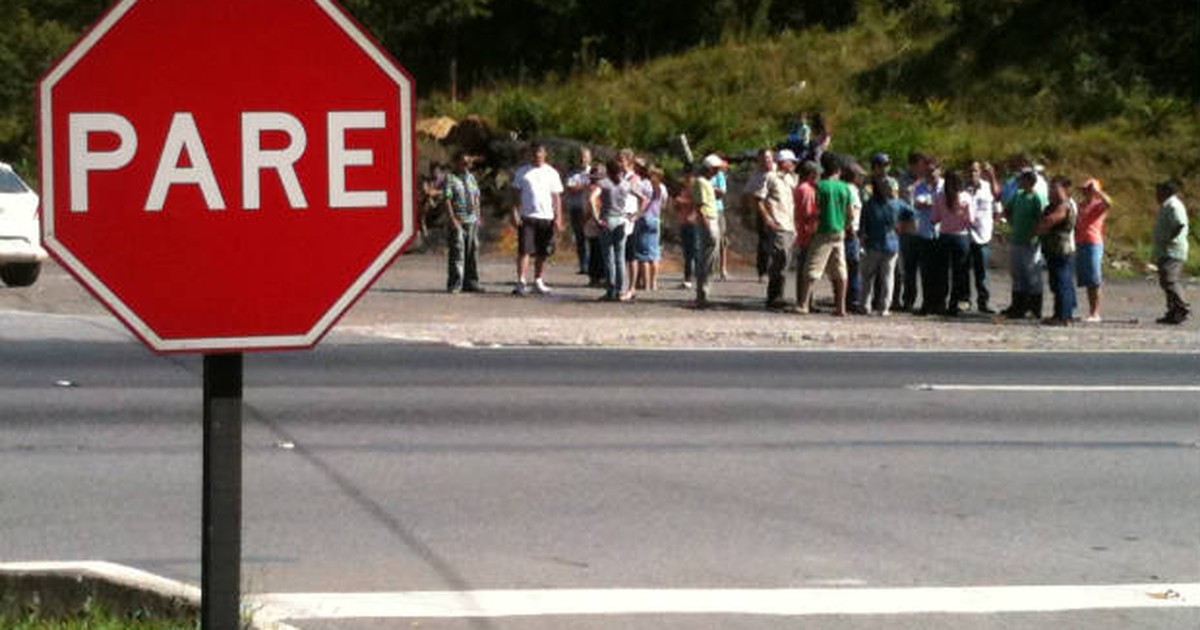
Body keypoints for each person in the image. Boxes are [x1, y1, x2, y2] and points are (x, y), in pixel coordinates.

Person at [796, 152, 851, 316]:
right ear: (838, 169)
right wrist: (845, 227)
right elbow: (850, 214)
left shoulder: (819, 186)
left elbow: (813, 210)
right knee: (840, 271)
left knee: (812, 268)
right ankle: (841, 307)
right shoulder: (844, 187)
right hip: (839, 231)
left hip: (823, 231)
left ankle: (804, 304)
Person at [510, 143, 564, 296]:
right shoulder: (522, 172)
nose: (537, 155)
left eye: (540, 152)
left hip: (546, 216)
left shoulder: (552, 173)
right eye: (535, 153)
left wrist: (559, 217)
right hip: (527, 216)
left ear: (545, 154)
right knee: (524, 250)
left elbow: (556, 197)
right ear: (530, 154)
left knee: (542, 251)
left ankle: (538, 280)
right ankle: (521, 281)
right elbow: (514, 194)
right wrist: (513, 212)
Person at [748, 149, 797, 309]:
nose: (794, 165)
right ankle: (774, 297)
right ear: (784, 162)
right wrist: (767, 219)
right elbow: (758, 199)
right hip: (778, 224)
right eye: (792, 161)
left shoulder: (790, 179)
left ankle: (779, 295)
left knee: (785, 262)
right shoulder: (770, 177)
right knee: (779, 260)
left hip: (789, 225)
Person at [860, 176, 908, 316]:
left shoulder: (869, 204)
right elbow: (912, 216)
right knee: (888, 277)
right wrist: (902, 228)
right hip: (891, 244)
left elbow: (863, 224)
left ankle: (865, 305)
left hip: (873, 244)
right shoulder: (898, 204)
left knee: (868, 277)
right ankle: (884, 308)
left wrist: (862, 240)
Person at [1003, 169, 1047, 319]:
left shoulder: (1036, 197)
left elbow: (1042, 218)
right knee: (1017, 274)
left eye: (1022, 180)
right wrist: (1012, 224)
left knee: (1032, 275)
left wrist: (1035, 234)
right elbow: (1007, 210)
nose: (1019, 182)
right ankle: (1017, 306)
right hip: (1016, 239)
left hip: (1030, 242)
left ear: (1029, 181)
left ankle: (1034, 308)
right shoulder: (1018, 195)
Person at [1035, 176, 1078, 326]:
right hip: (1052, 249)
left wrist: (1040, 226)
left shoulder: (1064, 205)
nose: (1051, 191)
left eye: (1055, 188)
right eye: (1050, 188)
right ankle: (1060, 313)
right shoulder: (1052, 205)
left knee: (1062, 282)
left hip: (1061, 249)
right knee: (1056, 282)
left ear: (1065, 189)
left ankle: (1063, 316)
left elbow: (1050, 220)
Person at [931, 168, 974, 316]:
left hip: (944, 236)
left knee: (942, 272)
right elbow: (971, 220)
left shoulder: (939, 197)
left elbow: (934, 219)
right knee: (959, 273)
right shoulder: (966, 197)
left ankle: (940, 303)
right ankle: (953, 305)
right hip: (960, 237)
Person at [442, 151, 484, 294]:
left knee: (472, 251)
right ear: (457, 163)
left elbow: (476, 196)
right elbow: (447, 198)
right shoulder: (450, 178)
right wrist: (452, 218)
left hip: (472, 219)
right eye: (464, 162)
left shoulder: (471, 178)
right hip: (458, 219)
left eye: (469, 163)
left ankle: (471, 282)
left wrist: (478, 215)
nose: (467, 165)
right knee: (458, 252)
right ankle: (455, 283)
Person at [589, 161, 630, 301]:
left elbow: (591, 198)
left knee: (609, 258)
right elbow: (643, 198)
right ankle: (621, 290)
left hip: (607, 219)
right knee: (620, 257)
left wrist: (596, 217)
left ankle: (610, 290)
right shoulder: (626, 184)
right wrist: (635, 215)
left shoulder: (604, 183)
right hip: (621, 219)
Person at [1151, 180, 1191, 324]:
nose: (1156, 194)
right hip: (1165, 250)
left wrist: (1169, 239)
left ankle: (1182, 306)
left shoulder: (1173, 205)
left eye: (1159, 191)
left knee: (1170, 280)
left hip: (1172, 249)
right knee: (1165, 280)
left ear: (1166, 192)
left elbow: (1180, 224)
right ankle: (1173, 313)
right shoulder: (1166, 206)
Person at [1074, 178, 1111, 322]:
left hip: (1093, 243)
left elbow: (1109, 203)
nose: (1086, 192)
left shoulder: (1099, 205)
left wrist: (1098, 192)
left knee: (1094, 279)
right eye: (1085, 190)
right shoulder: (1080, 205)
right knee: (1087, 279)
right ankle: (1091, 311)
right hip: (1080, 242)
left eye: (1089, 190)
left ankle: (1095, 312)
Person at [910, 158, 943, 315]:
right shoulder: (920, 186)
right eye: (928, 170)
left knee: (941, 272)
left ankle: (940, 304)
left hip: (942, 233)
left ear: (939, 170)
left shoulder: (944, 187)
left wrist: (930, 204)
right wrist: (932, 204)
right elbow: (917, 203)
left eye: (933, 170)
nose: (930, 173)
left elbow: (943, 206)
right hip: (924, 233)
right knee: (926, 272)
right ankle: (927, 303)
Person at [968, 162, 1000, 314]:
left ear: (980, 172)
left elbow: (997, 207)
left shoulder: (988, 187)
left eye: (975, 171)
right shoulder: (963, 188)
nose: (972, 173)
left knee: (982, 272)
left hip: (982, 235)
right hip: (966, 234)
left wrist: (994, 228)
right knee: (962, 271)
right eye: (970, 171)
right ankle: (964, 301)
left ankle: (983, 302)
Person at [694, 154, 724, 306]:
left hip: (713, 218)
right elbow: (699, 207)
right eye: (716, 169)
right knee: (707, 259)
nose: (718, 171)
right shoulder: (701, 182)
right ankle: (702, 294)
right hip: (708, 220)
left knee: (712, 260)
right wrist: (707, 227)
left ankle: (705, 293)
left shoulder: (707, 182)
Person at [632, 166, 667, 293]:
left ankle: (646, 284)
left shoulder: (644, 184)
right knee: (654, 252)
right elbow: (664, 204)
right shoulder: (662, 187)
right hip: (656, 219)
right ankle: (654, 283)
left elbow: (636, 194)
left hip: (644, 218)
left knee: (643, 254)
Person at [792, 160, 822, 309]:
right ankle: (803, 300)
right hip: (806, 232)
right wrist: (818, 214)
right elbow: (806, 212)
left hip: (808, 231)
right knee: (805, 267)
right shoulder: (805, 189)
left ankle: (808, 299)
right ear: (811, 174)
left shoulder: (808, 188)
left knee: (809, 267)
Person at [565, 147, 595, 276]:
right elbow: (570, 188)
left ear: (590, 158)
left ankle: (593, 265)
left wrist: (583, 185)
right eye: (581, 156)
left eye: (585, 156)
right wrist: (585, 185)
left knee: (592, 237)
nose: (583, 159)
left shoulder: (594, 172)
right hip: (576, 208)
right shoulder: (573, 173)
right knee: (580, 237)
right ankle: (583, 265)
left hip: (590, 208)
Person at [675, 168, 701, 290]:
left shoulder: (696, 190)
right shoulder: (683, 190)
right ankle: (687, 278)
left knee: (695, 250)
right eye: (685, 178)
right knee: (687, 252)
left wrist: (683, 202)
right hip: (684, 222)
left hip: (693, 223)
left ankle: (698, 276)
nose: (686, 180)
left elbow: (698, 204)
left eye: (688, 178)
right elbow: (678, 206)